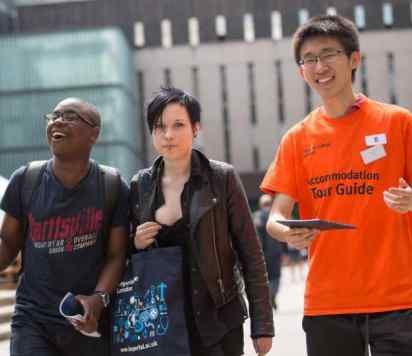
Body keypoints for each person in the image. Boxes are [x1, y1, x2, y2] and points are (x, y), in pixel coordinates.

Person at [261, 15, 412, 356]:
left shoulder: (398, 123)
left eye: (328, 54)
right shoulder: (297, 139)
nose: (319, 66)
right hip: (328, 303)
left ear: (354, 59)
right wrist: (286, 232)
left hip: (399, 299)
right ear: (302, 71)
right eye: (309, 59)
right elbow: (275, 216)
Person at [130, 87, 274, 356]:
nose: (168, 135)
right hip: (163, 324)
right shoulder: (141, 185)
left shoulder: (221, 178)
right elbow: (124, 257)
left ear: (196, 128)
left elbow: (251, 253)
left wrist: (262, 325)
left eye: (178, 125)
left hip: (218, 318)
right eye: (160, 127)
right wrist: (135, 241)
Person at [0, 98, 129, 355]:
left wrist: (99, 298)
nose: (57, 121)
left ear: (94, 133)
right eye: (54, 115)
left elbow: (117, 256)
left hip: (88, 324)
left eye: (70, 116)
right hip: (32, 322)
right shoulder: (26, 180)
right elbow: (7, 244)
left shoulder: (113, 186)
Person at [253, 194, 283, 310]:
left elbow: (256, 238)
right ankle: (272, 295)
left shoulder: (257, 217)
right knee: (276, 277)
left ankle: (269, 296)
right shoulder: (277, 217)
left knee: (266, 278)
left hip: (263, 255)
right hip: (275, 253)